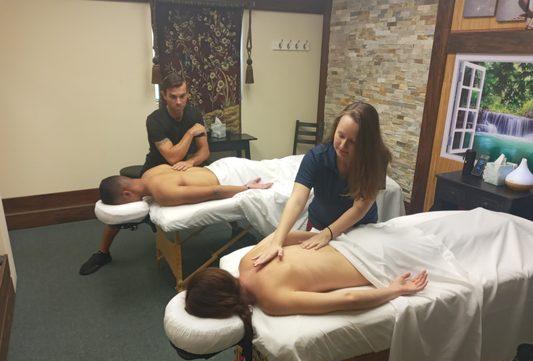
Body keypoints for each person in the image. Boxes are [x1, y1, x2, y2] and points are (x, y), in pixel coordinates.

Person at [80, 73, 210, 275]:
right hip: (156, 167)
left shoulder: (194, 114)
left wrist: (191, 162)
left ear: (187, 95)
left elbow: (205, 152)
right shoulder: (155, 120)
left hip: (185, 166)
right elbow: (172, 158)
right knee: (123, 205)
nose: (178, 102)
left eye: (182, 96)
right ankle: (102, 252)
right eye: (173, 96)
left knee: (209, 186)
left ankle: (235, 224)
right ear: (164, 96)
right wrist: (190, 133)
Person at [252, 101, 392, 267]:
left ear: (366, 145)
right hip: (319, 224)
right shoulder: (316, 157)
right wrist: (277, 241)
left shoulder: (377, 160)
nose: (343, 145)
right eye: (340, 135)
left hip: (359, 229)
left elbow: (359, 208)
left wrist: (329, 234)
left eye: (352, 142)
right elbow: (297, 200)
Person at [184, 230, 427, 321]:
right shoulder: (247, 261)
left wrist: (395, 290)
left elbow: (349, 300)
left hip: (373, 262)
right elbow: (284, 236)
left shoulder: (271, 301)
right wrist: (326, 235)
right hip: (353, 240)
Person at [98, 163, 272, 206]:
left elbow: (215, 192)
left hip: (231, 177)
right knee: (270, 166)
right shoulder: (149, 173)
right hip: (221, 165)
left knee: (279, 171)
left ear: (127, 194)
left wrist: (246, 188)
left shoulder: (162, 194)